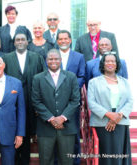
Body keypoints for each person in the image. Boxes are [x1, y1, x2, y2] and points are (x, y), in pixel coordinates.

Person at [31, 49, 80, 165]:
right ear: (46, 61)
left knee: (67, 161)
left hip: (67, 127)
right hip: (45, 128)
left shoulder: (71, 76)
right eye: (50, 59)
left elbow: (75, 100)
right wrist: (51, 118)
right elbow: (36, 101)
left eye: (56, 59)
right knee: (45, 160)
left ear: (60, 60)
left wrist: (62, 117)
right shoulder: (38, 78)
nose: (53, 61)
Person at [3, 32, 45, 165]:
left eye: (23, 39)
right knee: (12, 134)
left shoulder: (37, 57)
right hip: (11, 103)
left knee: (26, 135)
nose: (20, 42)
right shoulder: (6, 58)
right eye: (17, 40)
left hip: (31, 103)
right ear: (14, 43)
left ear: (28, 42)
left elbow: (42, 80)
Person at [87, 53, 133, 165]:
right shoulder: (94, 82)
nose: (110, 63)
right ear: (103, 64)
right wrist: (109, 115)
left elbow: (130, 101)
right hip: (102, 123)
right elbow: (91, 103)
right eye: (107, 61)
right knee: (105, 156)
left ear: (117, 64)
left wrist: (119, 115)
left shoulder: (125, 82)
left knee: (119, 155)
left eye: (113, 61)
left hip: (120, 122)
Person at [56, 30, 85, 165]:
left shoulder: (79, 57)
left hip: (72, 102)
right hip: (54, 102)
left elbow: (82, 76)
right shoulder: (51, 55)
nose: (63, 41)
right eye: (60, 39)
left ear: (70, 40)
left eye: (65, 39)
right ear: (57, 41)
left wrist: (70, 89)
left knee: (73, 135)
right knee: (57, 136)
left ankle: (75, 162)